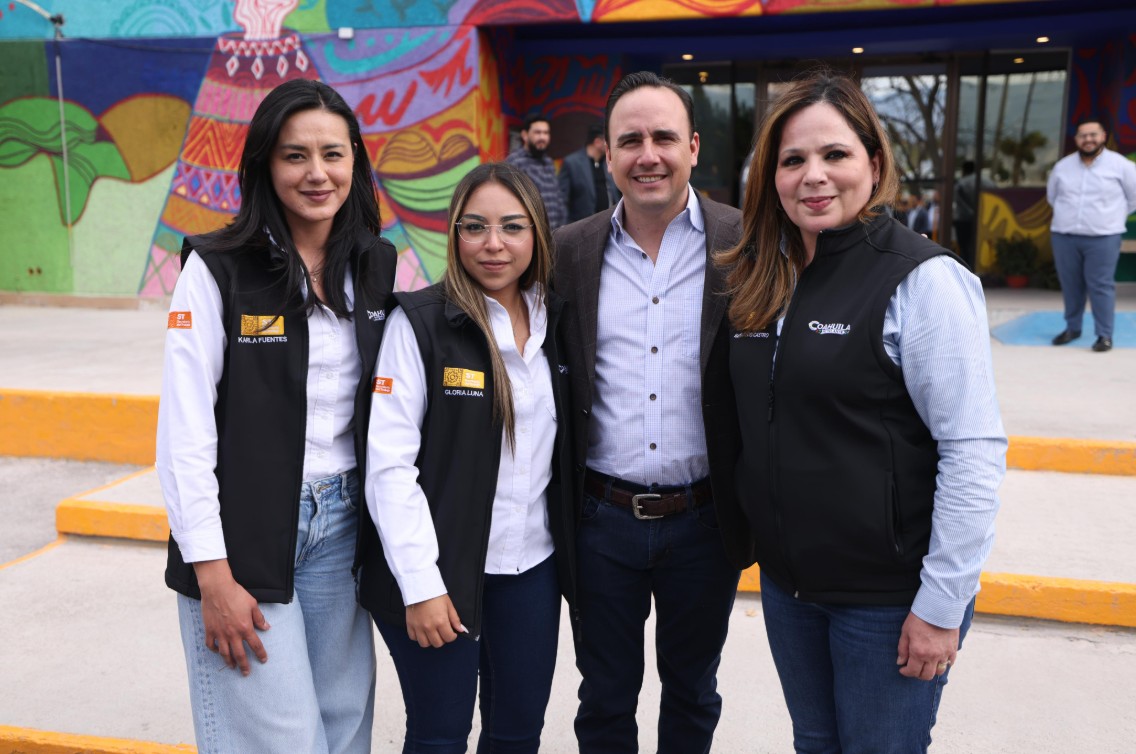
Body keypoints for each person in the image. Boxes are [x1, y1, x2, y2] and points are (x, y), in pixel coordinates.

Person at [717, 70, 1006, 753]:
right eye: (793, 160)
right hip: (789, 588)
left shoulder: (923, 280)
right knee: (815, 744)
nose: (813, 176)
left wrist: (941, 606)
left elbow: (972, 450)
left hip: (888, 598)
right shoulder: (763, 278)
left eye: (834, 154)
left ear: (874, 164)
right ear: (772, 178)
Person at [156, 78, 398, 754]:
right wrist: (212, 574)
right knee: (281, 740)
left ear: (355, 161)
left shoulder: (375, 265)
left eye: (333, 154)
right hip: (245, 531)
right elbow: (183, 435)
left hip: (344, 524)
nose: (317, 173)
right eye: (295, 155)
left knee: (344, 726)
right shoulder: (216, 269)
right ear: (265, 164)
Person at [553, 71, 755, 753]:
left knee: (693, 692)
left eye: (664, 138)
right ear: (607, 154)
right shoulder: (568, 251)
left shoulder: (746, 240)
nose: (648, 155)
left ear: (693, 147)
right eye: (630, 140)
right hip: (599, 521)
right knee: (604, 698)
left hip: (704, 522)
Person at [356, 161, 576, 753]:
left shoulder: (559, 321)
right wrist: (421, 585)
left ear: (538, 233)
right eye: (475, 227)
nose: (493, 244)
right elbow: (389, 468)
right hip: (441, 573)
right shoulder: (420, 324)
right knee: (440, 737)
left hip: (530, 570)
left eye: (512, 226)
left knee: (517, 734)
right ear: (454, 235)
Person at [1046, 117, 1136, 352]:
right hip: (1065, 236)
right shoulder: (1062, 167)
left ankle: (1104, 335)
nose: (1088, 139)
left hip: (1104, 237)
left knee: (1101, 285)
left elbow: (1133, 199)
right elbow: (1052, 197)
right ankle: (1072, 328)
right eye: (1083, 135)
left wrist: (1112, 217)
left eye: (1093, 135)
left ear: (1103, 136)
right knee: (1070, 285)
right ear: (1077, 139)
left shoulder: (1121, 166)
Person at [507, 112, 568, 229]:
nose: (542, 137)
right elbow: (511, 204)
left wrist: (563, 228)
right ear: (525, 135)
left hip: (554, 233)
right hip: (531, 234)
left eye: (546, 133)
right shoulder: (515, 163)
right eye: (537, 132)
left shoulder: (549, 163)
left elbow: (558, 199)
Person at [559, 123, 619, 223]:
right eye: (608, 141)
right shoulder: (572, 163)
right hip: (582, 225)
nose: (611, 145)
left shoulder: (608, 162)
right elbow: (562, 199)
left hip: (610, 222)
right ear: (597, 142)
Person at [952, 160, 993, 267]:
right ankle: (976, 266)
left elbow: (959, 202)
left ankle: (966, 267)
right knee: (977, 246)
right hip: (983, 219)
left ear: (964, 170)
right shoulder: (987, 182)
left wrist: (971, 213)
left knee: (964, 248)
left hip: (963, 220)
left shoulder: (961, 183)